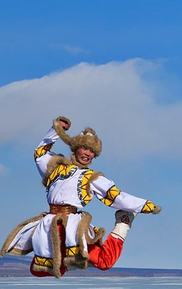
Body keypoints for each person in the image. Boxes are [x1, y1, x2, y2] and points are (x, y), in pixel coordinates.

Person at [1, 117, 161, 278]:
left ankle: (123, 222)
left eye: (92, 151)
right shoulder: (55, 168)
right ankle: (73, 262)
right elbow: (40, 153)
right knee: (38, 271)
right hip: (49, 225)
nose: (88, 154)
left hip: (72, 228)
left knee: (105, 261)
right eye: (85, 148)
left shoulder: (92, 177)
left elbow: (115, 196)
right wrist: (56, 130)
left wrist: (145, 205)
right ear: (76, 148)